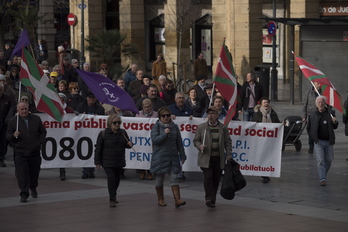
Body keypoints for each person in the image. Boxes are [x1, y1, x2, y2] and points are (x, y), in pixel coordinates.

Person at [6, 102, 47, 203]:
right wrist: (13, 136)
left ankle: (33, 187)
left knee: (34, 173)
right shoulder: (13, 121)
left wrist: (39, 142)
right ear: (18, 110)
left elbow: (43, 131)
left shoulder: (36, 119)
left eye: (25, 109)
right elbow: (8, 135)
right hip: (20, 152)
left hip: (34, 152)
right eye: (22, 109)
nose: (24, 111)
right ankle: (24, 193)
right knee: (22, 174)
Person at [193, 106, 232, 208]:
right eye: (209, 114)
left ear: (217, 115)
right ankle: (208, 198)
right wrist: (199, 146)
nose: (210, 116)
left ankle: (212, 198)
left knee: (216, 178)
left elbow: (228, 142)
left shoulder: (223, 128)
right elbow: (196, 140)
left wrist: (229, 155)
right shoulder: (202, 127)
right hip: (206, 158)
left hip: (218, 158)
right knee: (208, 177)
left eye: (213, 113)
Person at [150, 106, 187, 207]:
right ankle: (160, 199)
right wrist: (164, 134)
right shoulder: (156, 127)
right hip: (160, 157)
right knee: (159, 179)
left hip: (172, 156)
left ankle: (177, 199)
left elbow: (179, 141)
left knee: (174, 178)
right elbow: (155, 140)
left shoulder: (174, 127)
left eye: (168, 115)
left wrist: (182, 154)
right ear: (160, 117)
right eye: (163, 116)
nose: (166, 117)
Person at [94, 114, 133, 208]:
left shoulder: (123, 132)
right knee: (111, 178)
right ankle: (112, 198)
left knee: (117, 179)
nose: (117, 124)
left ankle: (113, 194)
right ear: (110, 124)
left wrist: (130, 144)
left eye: (118, 122)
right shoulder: (103, 134)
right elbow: (98, 148)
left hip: (119, 160)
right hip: (107, 161)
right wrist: (97, 161)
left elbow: (127, 145)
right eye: (114, 123)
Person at [307, 96, 338, 186]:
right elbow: (309, 127)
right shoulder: (312, 114)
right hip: (318, 141)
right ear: (316, 104)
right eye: (319, 103)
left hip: (329, 141)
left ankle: (323, 173)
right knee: (320, 160)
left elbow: (335, 127)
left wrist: (335, 121)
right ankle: (322, 178)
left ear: (325, 103)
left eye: (322, 102)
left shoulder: (331, 113)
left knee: (329, 160)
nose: (320, 104)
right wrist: (313, 137)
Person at [76, 93, 105, 179]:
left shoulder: (99, 108)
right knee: (85, 151)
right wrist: (82, 116)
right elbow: (76, 116)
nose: (91, 100)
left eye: (93, 98)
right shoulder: (81, 106)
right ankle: (85, 171)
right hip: (84, 132)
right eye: (89, 98)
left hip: (95, 132)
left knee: (93, 151)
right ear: (86, 98)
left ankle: (91, 171)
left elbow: (103, 119)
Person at [253, 97, 281, 183]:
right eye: (264, 102)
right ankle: (264, 173)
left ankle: (266, 173)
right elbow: (254, 124)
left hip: (270, 139)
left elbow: (277, 122)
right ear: (261, 104)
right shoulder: (258, 113)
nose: (266, 104)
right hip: (261, 139)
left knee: (268, 156)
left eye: (267, 102)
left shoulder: (272, 113)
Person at [135, 98, 158, 180]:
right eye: (145, 107)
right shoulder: (138, 114)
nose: (147, 109)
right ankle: (142, 171)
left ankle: (149, 171)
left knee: (150, 154)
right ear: (142, 107)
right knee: (141, 153)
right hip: (141, 138)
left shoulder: (156, 114)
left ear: (151, 106)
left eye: (148, 107)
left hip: (151, 137)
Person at [302, 81, 321, 154]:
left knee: (319, 131)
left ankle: (318, 146)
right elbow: (304, 105)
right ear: (314, 84)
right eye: (317, 84)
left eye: (319, 84)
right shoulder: (308, 93)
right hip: (311, 115)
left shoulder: (322, 93)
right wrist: (304, 116)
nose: (319, 85)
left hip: (320, 115)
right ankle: (311, 146)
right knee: (311, 131)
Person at [0, 83, 14, 167]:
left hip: (4, 124)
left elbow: (11, 110)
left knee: (3, 142)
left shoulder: (8, 98)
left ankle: (1, 159)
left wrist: (8, 121)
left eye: (1, 90)